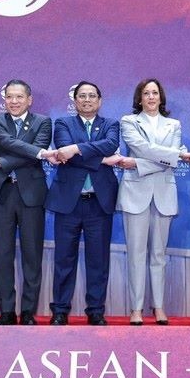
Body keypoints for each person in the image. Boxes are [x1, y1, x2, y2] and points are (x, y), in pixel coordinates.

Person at [0, 79, 59, 326]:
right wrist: (35, 152)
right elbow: (12, 145)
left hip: (31, 195)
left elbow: (37, 148)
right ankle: (6, 311)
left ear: (29, 99)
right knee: (2, 255)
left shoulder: (43, 121)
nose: (13, 102)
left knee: (32, 255)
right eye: (9, 97)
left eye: (19, 97)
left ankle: (27, 311)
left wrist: (0, 162)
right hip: (2, 194)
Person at [45, 81, 120, 326]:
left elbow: (109, 145)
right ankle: (60, 310)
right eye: (82, 96)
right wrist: (101, 160)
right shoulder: (63, 123)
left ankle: (96, 310)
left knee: (98, 261)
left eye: (91, 96)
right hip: (69, 202)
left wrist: (76, 149)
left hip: (99, 203)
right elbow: (64, 152)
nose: (87, 100)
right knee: (64, 260)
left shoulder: (111, 124)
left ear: (99, 100)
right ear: (75, 101)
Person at [116, 79, 186, 326]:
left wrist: (136, 163)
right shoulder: (128, 121)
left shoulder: (173, 124)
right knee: (136, 255)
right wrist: (172, 156)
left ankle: (159, 307)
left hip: (164, 195)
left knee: (159, 254)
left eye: (155, 92)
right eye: (146, 93)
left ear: (161, 97)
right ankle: (135, 309)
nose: (151, 97)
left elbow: (166, 157)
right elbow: (143, 148)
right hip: (136, 194)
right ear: (139, 98)